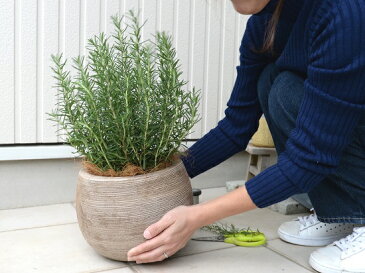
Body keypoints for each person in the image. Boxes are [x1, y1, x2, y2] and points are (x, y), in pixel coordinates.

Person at [127, 0, 365, 272]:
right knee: (274, 81)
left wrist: (196, 217)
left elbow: (309, 158)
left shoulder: (345, 12)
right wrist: (160, 174)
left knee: (286, 91)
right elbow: (237, 126)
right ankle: (343, 212)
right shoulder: (266, 22)